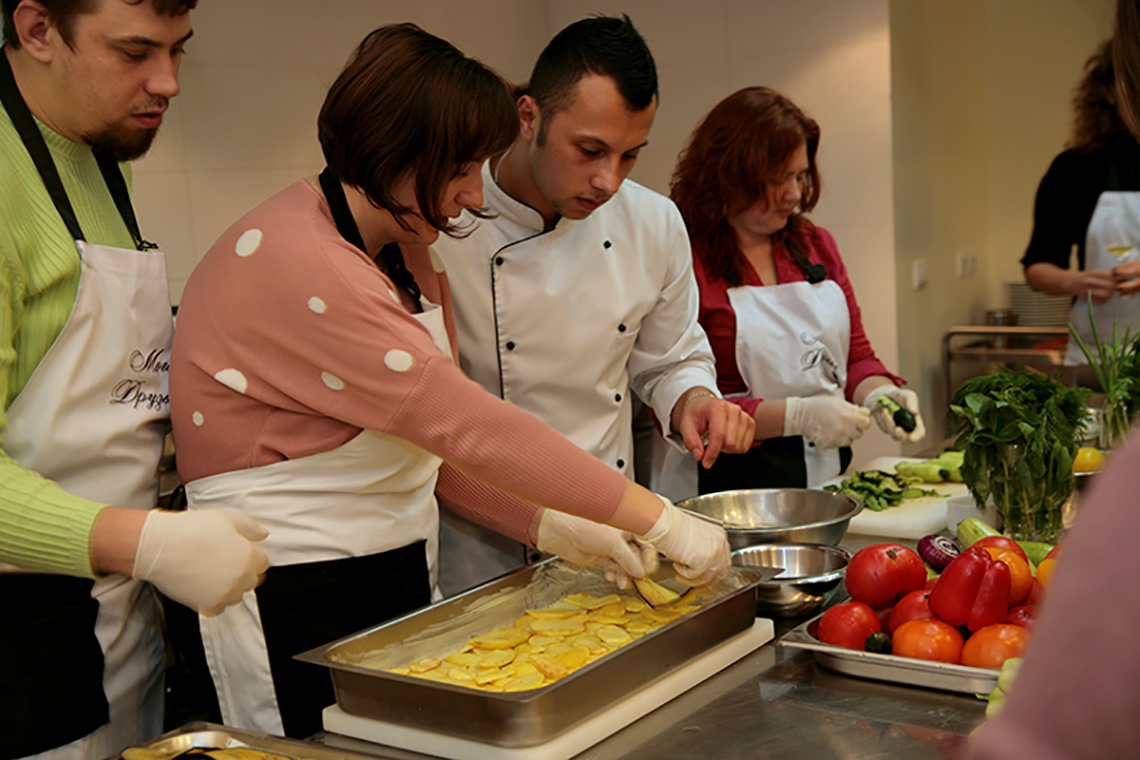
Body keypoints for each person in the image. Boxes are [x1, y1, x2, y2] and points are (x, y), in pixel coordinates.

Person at [168, 22, 731, 739]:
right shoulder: (301, 258)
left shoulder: (407, 253)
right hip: (283, 585)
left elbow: (429, 450)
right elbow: (468, 425)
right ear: (402, 152)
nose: (473, 195)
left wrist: (550, 525)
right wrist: (657, 517)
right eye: (463, 168)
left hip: (392, 569)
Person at [0, 2, 271, 758]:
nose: (168, 82)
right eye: (135, 53)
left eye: (179, 51)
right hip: (21, 641)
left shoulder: (91, 147)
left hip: (116, 617)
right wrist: (144, 540)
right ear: (38, 29)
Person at [429, 15, 755, 593]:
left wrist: (693, 399)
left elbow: (671, 359)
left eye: (630, 156)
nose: (608, 181)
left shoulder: (653, 223)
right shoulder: (447, 216)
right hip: (479, 549)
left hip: (609, 540)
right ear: (528, 118)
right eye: (590, 150)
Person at [665, 87, 925, 494]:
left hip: (825, 481)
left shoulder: (814, 244)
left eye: (800, 176)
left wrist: (881, 393)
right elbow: (682, 402)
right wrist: (796, 417)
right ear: (729, 175)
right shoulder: (684, 257)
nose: (795, 194)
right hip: (724, 490)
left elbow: (854, 356)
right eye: (776, 179)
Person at [1023, 39, 1140, 369]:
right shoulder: (1074, 168)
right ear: (1108, 92)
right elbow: (1038, 266)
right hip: (1100, 359)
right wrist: (1075, 282)